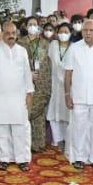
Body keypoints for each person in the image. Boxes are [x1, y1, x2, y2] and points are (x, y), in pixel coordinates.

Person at [0, 21, 33, 170]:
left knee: (20, 129)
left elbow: (27, 73)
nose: (11, 36)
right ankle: (3, 158)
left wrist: (29, 93)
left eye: (13, 33)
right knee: (0, 129)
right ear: (2, 33)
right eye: (7, 33)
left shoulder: (22, 51)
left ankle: (22, 159)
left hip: (18, 96)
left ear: (17, 34)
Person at [63, 19, 93, 169]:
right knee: (79, 127)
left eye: (91, 30)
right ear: (81, 31)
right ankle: (79, 157)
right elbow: (68, 73)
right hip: (78, 96)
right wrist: (67, 94)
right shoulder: (74, 48)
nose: (88, 33)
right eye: (85, 30)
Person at [22, 18, 53, 152]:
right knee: (27, 111)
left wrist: (45, 82)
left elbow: (47, 64)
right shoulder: (20, 42)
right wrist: (28, 74)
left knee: (39, 114)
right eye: (30, 24)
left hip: (42, 82)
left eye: (35, 24)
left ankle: (38, 144)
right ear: (25, 26)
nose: (33, 27)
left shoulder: (45, 43)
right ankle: (24, 143)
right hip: (25, 82)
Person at [45, 22, 73, 148]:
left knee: (67, 112)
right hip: (55, 82)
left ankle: (67, 138)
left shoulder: (74, 47)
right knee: (54, 111)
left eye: (66, 32)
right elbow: (49, 61)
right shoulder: (53, 45)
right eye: (61, 32)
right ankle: (57, 138)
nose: (63, 34)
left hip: (69, 84)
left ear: (71, 33)